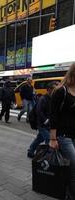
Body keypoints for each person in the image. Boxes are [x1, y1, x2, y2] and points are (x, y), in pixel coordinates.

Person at [49, 64, 75, 198]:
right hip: (64, 137)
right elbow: (53, 116)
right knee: (72, 170)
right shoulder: (61, 91)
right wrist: (53, 139)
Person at [27, 82, 57, 158]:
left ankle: (30, 151)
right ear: (49, 90)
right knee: (48, 139)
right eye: (54, 89)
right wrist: (45, 120)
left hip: (49, 123)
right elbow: (39, 111)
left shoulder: (53, 98)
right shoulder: (43, 98)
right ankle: (47, 157)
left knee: (39, 138)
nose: (55, 91)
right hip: (42, 124)